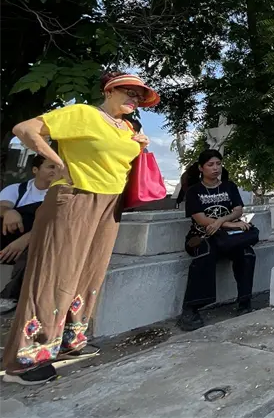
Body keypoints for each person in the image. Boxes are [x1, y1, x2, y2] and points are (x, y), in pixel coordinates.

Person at [2, 72, 159, 385]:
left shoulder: (127, 127)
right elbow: (25, 129)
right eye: (129, 92)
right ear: (110, 90)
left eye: (139, 96)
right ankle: (26, 359)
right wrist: (55, 161)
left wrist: (140, 144)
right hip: (74, 198)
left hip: (109, 204)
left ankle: (70, 341)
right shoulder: (84, 114)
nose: (134, 99)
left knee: (90, 271)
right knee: (54, 273)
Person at [178, 149, 256, 331]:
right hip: (202, 235)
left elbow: (238, 210)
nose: (215, 168)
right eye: (210, 164)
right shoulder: (194, 191)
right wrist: (231, 224)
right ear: (201, 168)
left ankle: (245, 302)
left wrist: (222, 222)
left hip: (227, 236)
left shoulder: (229, 187)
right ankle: (191, 308)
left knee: (246, 253)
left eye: (218, 164)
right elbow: (201, 220)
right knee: (205, 253)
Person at [0, 156, 61, 313]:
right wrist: (9, 212)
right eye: (50, 167)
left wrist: (26, 239)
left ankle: (9, 294)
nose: (55, 171)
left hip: (35, 245)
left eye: (57, 167)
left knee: (44, 238)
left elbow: (56, 224)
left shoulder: (60, 194)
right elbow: (3, 206)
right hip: (9, 243)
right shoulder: (17, 189)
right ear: (35, 170)